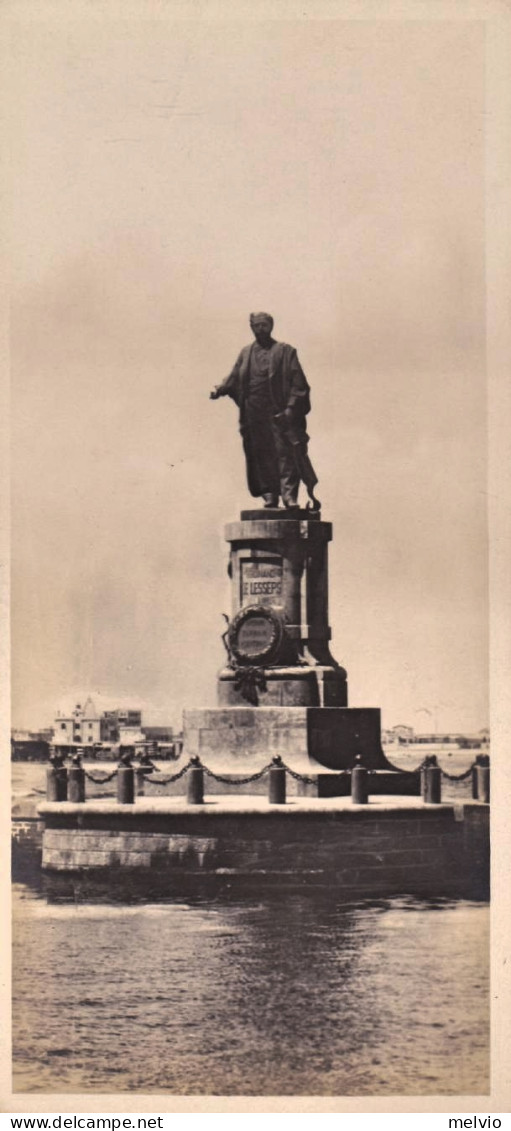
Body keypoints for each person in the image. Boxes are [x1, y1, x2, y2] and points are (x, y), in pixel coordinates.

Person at [210, 312, 320, 510]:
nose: (261, 329)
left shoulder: (285, 352)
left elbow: (299, 384)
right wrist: (219, 389)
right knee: (261, 454)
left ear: (271, 326)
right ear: (251, 327)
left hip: (278, 412)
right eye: (257, 325)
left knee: (285, 453)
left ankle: (289, 496)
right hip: (253, 412)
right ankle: (270, 494)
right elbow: (234, 377)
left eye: (264, 325)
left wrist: (290, 410)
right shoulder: (246, 353)